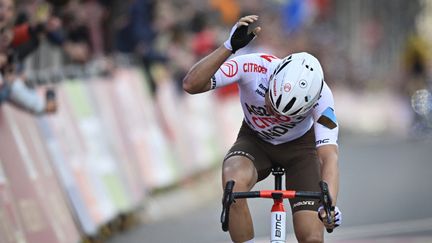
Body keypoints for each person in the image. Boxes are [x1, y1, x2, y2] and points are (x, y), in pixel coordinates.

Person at [183, 15, 342, 243]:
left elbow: (329, 157)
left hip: (300, 151)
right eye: (272, 103)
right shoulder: (252, 66)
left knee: (311, 237)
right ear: (272, 78)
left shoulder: (323, 96)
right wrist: (228, 48)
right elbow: (191, 84)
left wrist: (330, 205)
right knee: (233, 184)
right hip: (255, 141)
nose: (277, 116)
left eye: (288, 115)